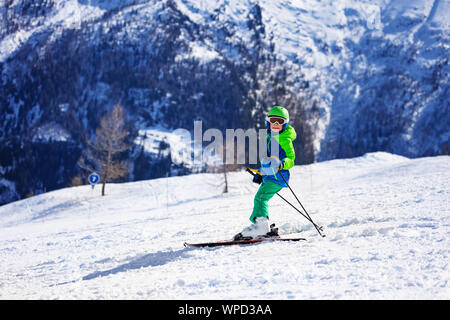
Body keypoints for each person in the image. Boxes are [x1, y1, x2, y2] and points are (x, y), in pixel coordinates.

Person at [234, 106, 297, 240]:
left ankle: (262, 226)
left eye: (279, 122)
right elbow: (269, 161)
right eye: (273, 121)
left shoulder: (285, 140)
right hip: (270, 176)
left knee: (261, 198)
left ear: (285, 124)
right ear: (268, 122)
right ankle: (260, 224)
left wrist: (282, 164)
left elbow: (291, 159)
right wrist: (261, 173)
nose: (275, 124)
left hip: (279, 177)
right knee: (260, 197)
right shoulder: (270, 137)